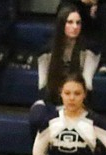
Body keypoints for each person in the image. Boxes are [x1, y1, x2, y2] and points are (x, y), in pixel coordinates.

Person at [28, 4, 100, 134]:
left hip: (78, 101)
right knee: (37, 115)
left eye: (78, 23)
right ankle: (40, 153)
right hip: (52, 99)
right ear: (62, 24)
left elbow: (87, 84)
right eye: (70, 22)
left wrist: (69, 104)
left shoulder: (90, 50)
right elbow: (43, 85)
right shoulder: (46, 52)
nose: (75, 27)